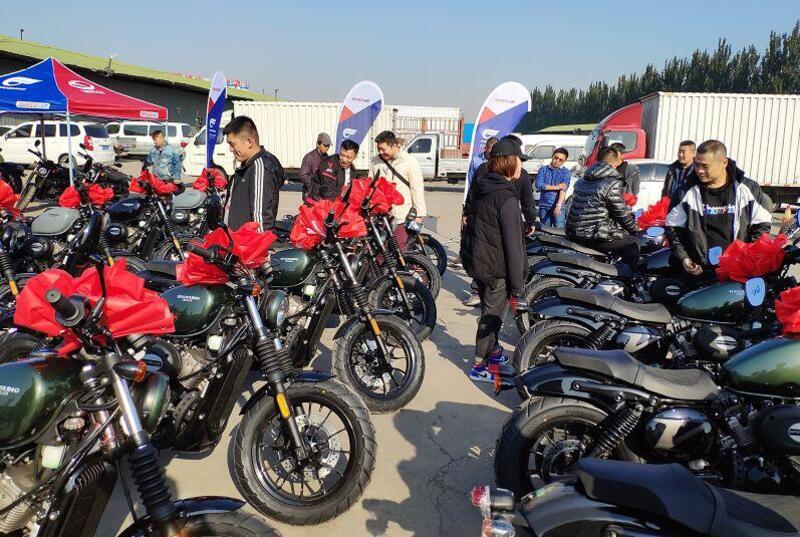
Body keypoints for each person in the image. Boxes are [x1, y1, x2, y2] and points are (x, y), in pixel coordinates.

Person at [460, 138, 527, 382]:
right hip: (496, 268)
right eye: (519, 160)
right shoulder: (506, 199)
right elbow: (513, 246)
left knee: (490, 310)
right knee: (491, 318)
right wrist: (518, 287)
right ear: (509, 163)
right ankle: (479, 366)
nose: (521, 166)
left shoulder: (485, 186)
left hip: (480, 261)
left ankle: (494, 352)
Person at [666, 139, 772, 282]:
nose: (699, 170)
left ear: (724, 163)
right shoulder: (685, 192)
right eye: (697, 165)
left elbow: (762, 226)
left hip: (737, 273)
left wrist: (747, 258)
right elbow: (673, 229)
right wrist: (684, 258)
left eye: (705, 166)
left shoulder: (747, 189)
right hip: (700, 273)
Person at [565, 146, 640, 268]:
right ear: (615, 163)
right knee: (632, 242)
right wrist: (635, 229)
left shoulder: (582, 180)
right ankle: (622, 276)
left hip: (573, 232)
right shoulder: (612, 183)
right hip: (592, 235)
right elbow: (621, 213)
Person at [221, 116, 284, 231]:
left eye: (232, 144)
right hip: (235, 239)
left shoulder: (260, 168)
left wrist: (258, 242)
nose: (230, 149)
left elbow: (261, 220)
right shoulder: (245, 167)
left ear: (249, 142)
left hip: (248, 241)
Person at [369, 130, 427, 239]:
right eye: (378, 149)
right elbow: (371, 187)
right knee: (382, 248)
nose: (381, 152)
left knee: (400, 245)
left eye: (383, 149)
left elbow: (417, 188)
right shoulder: (375, 162)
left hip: (402, 216)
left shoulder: (409, 161)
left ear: (394, 146)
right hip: (381, 216)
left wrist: (419, 214)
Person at [535, 147, 571, 227]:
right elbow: (538, 184)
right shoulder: (543, 169)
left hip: (559, 207)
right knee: (544, 230)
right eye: (556, 157)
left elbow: (563, 189)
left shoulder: (566, 172)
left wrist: (559, 205)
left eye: (560, 160)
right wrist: (557, 187)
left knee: (559, 231)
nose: (557, 160)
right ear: (552, 156)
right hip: (544, 205)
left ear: (564, 161)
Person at [299, 133, 331, 199]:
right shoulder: (309, 157)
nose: (327, 147)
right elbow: (303, 175)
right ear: (317, 144)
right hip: (310, 194)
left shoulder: (327, 158)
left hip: (322, 194)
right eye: (325, 145)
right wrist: (313, 187)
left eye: (328, 145)